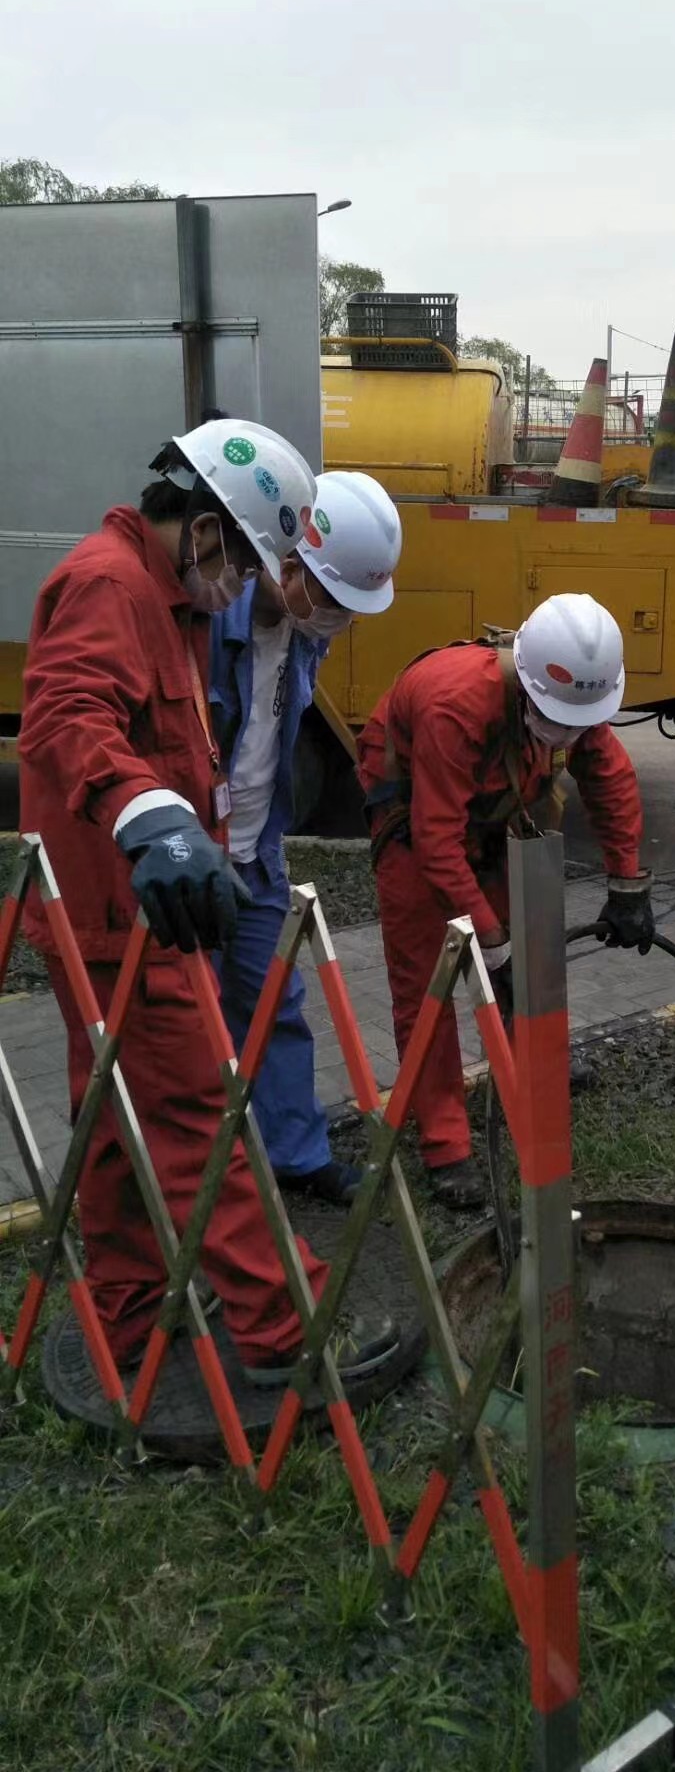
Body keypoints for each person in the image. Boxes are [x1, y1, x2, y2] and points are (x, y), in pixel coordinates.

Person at [18, 418, 398, 1384]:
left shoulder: (165, 601)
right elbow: (67, 714)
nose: (245, 585)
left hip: (115, 913)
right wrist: (150, 814)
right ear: (202, 530)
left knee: (116, 1127)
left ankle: (129, 1309)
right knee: (198, 1117)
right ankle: (287, 1328)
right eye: (248, 558)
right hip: (128, 912)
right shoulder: (112, 586)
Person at [357, 593, 653, 1208]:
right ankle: (444, 1143)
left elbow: (611, 780)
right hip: (414, 817)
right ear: (526, 681)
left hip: (490, 805)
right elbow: (438, 842)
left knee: (533, 942)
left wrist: (629, 885)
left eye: (581, 720)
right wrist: (493, 947)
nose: (572, 734)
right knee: (429, 981)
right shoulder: (455, 704)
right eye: (561, 721)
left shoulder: (574, 696)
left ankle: (536, 1064)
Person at [211, 468, 402, 1207]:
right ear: (285, 561)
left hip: (256, 855)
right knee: (181, 1026)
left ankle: (295, 1154)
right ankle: (198, 1179)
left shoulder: (298, 633)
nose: (337, 619)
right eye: (331, 598)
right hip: (196, 854)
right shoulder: (207, 625)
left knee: (274, 1007)